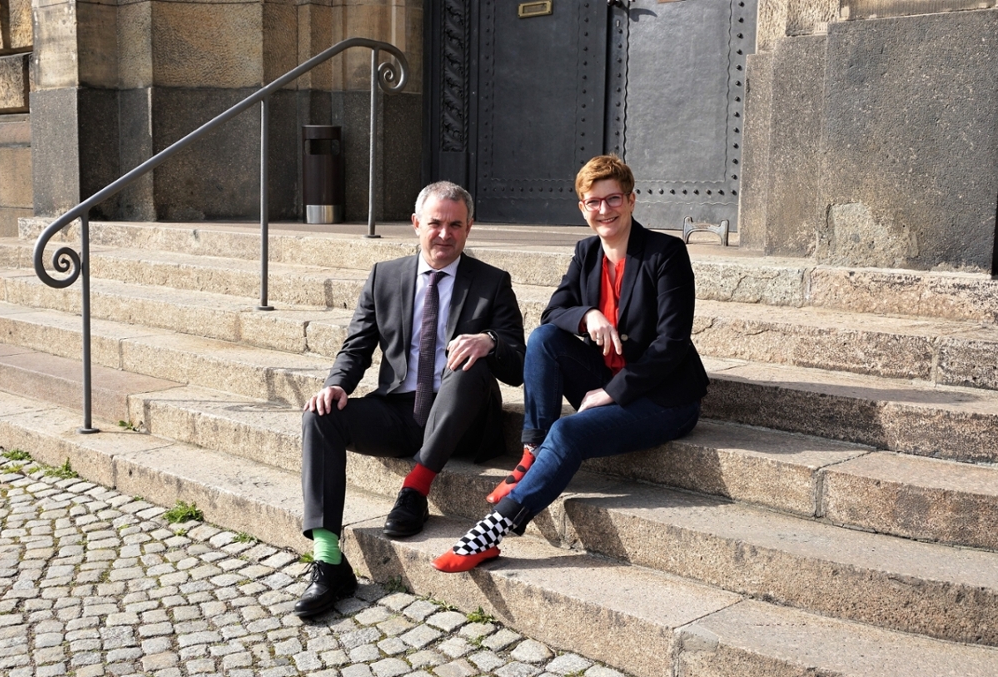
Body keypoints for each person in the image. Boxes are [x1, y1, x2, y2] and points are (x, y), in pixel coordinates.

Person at [432, 155, 709, 572]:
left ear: (631, 200)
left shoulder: (664, 254)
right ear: (582, 208)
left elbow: (672, 344)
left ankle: (494, 528)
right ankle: (533, 450)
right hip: (606, 376)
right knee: (545, 340)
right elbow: (552, 313)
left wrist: (613, 391)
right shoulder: (586, 252)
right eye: (593, 202)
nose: (604, 210)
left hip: (663, 397)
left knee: (570, 430)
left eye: (613, 199)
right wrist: (587, 316)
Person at [295, 181, 526, 615]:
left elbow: (518, 365)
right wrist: (337, 385)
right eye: (435, 223)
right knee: (319, 415)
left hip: (464, 419)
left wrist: (490, 341)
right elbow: (357, 346)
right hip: (400, 412)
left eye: (455, 225)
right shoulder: (385, 276)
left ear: (469, 228)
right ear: (416, 224)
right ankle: (328, 562)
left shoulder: (492, 283)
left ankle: (414, 491)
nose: (444, 234)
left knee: (467, 364)